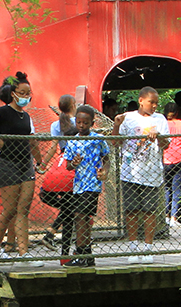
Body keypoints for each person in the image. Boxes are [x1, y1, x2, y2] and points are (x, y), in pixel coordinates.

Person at [0, 71, 44, 263]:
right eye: (22, 92)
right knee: (9, 210)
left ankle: (24, 253)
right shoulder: (2, 112)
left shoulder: (27, 117)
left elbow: (32, 141)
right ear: (13, 93)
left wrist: (40, 162)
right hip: (7, 164)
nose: (26, 96)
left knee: (23, 210)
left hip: (26, 165)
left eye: (28, 93)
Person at [113, 86, 170, 254]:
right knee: (131, 210)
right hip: (130, 172)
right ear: (141, 101)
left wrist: (158, 137)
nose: (154, 106)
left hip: (152, 172)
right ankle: (133, 247)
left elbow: (166, 145)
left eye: (156, 103)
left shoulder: (160, 119)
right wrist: (116, 125)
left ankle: (148, 247)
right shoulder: (127, 118)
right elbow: (116, 142)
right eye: (151, 102)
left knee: (149, 211)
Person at [62, 105, 109, 266]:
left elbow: (107, 157)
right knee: (80, 217)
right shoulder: (73, 141)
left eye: (85, 123)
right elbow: (68, 165)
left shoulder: (98, 139)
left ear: (92, 123)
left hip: (92, 184)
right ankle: (86, 254)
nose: (81, 126)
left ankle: (81, 253)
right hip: (78, 184)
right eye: (79, 122)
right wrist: (73, 163)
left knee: (81, 216)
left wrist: (105, 171)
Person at [39, 93, 79, 247]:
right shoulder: (79, 122)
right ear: (74, 105)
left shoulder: (56, 125)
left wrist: (43, 164)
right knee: (72, 203)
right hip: (77, 162)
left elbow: (53, 146)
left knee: (69, 203)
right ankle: (54, 235)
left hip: (62, 162)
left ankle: (51, 234)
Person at [162, 103, 181, 226]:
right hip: (180, 157)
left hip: (166, 158)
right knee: (177, 188)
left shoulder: (163, 124)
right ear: (177, 112)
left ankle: (165, 216)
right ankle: (174, 217)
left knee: (166, 188)